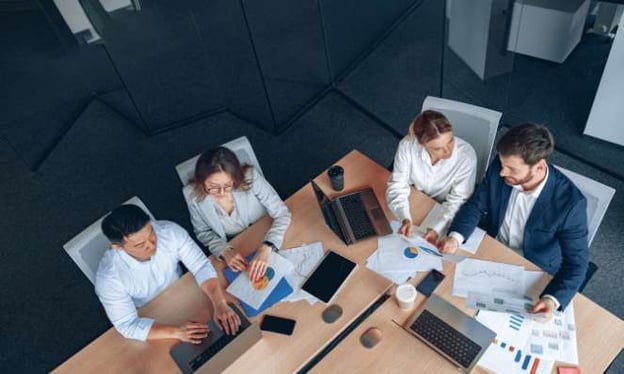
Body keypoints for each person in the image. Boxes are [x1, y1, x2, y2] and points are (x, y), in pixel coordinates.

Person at [439, 123, 589, 319]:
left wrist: (552, 299)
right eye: (502, 164)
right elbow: (476, 205)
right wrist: (455, 237)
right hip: (492, 249)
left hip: (533, 267)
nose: (502, 172)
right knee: (451, 303)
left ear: (539, 166)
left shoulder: (571, 204)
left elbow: (577, 264)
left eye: (511, 168)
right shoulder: (501, 166)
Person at [95, 204, 241, 342]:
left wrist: (219, 303)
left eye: (151, 233)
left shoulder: (169, 231)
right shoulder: (108, 279)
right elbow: (127, 324)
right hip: (151, 315)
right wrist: (176, 332)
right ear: (117, 247)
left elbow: (201, 266)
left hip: (185, 292)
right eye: (140, 245)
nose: (152, 245)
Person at [184, 147, 291, 282]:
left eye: (228, 185)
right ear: (201, 181)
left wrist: (267, 246)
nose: (222, 192)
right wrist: (224, 251)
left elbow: (282, 213)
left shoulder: (250, 177)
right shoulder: (191, 194)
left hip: (266, 231)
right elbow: (202, 231)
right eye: (213, 186)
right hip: (235, 245)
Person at [386, 109, 477, 242]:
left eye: (450, 141)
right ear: (422, 145)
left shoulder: (466, 157)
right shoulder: (407, 146)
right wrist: (404, 217)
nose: (448, 151)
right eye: (438, 148)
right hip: (415, 200)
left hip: (444, 209)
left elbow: (458, 201)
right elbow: (397, 185)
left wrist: (436, 229)